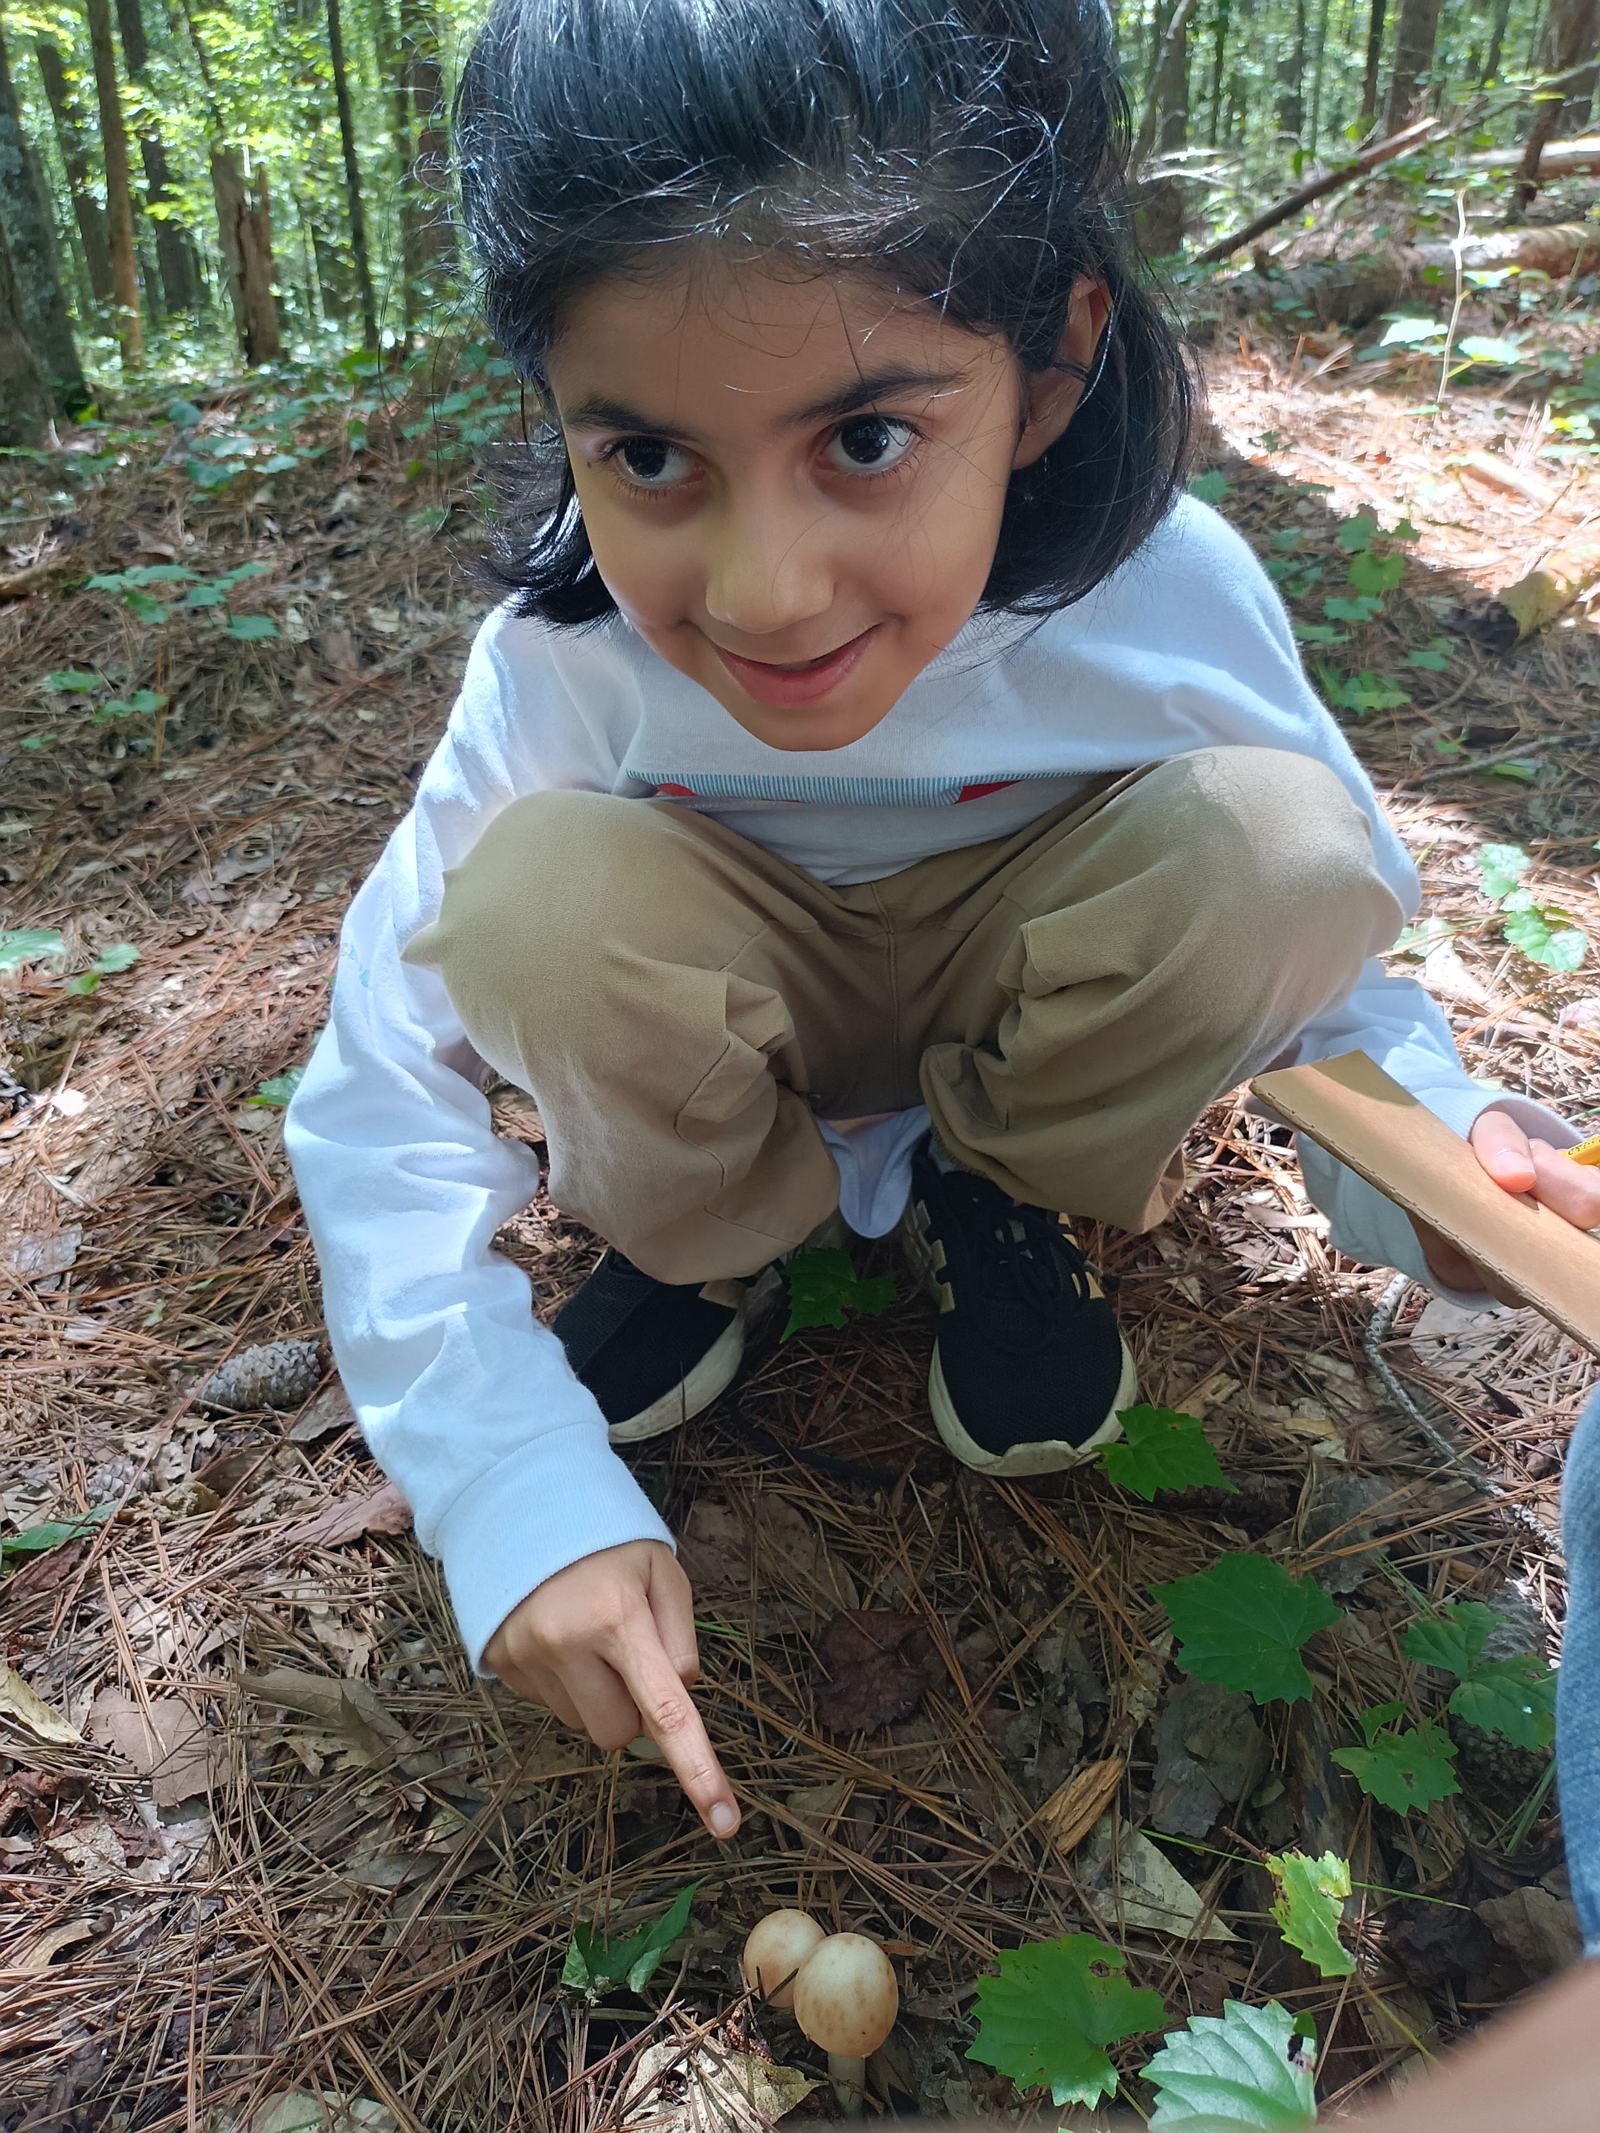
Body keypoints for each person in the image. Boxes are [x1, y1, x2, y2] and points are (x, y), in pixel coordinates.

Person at [283, 0, 1600, 1845]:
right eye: (649, 456)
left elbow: (1330, 974)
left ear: (1053, 363)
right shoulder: (568, 663)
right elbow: (380, 1082)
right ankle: (710, 1233)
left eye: (868, 437)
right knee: (535, 900)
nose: (767, 589)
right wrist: (500, 1479)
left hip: (1033, 981)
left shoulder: (1160, 600)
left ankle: (1004, 1186)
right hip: (742, 998)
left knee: (1283, 843)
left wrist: (1439, 1170)